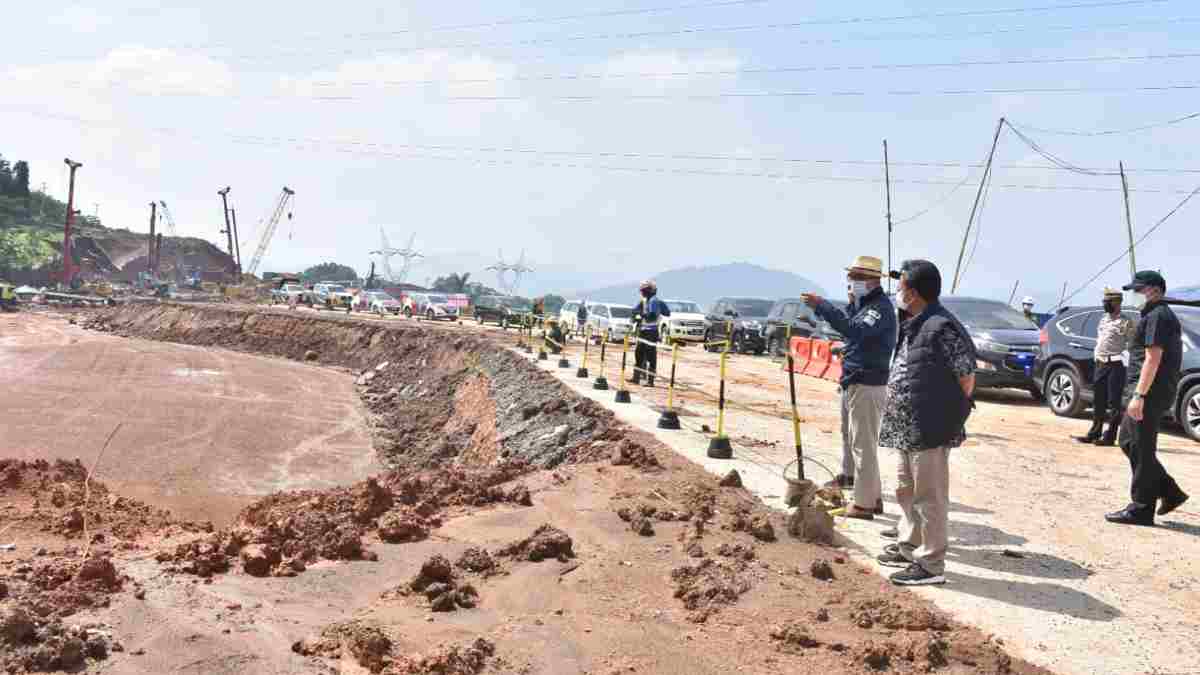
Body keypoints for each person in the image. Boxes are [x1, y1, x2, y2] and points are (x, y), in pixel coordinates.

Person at [875, 260, 976, 586]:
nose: (898, 292)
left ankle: (931, 564)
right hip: (906, 426)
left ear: (914, 292)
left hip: (929, 427)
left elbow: (967, 379)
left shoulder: (941, 327)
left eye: (901, 286)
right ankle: (909, 545)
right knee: (905, 490)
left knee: (929, 497)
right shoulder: (915, 322)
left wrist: (944, 416)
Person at [802, 255, 897, 520]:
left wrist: (823, 306)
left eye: (856, 278)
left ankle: (864, 504)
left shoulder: (878, 308)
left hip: (868, 382)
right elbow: (855, 335)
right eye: (851, 277)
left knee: (863, 444)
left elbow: (854, 330)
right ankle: (872, 497)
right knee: (856, 439)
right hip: (854, 378)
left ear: (871, 280)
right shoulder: (865, 305)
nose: (851, 282)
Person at [1105, 271, 1189, 526]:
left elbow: (1153, 358)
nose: (1136, 295)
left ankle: (1141, 508)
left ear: (1153, 290)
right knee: (1130, 441)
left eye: (1139, 290)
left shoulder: (1157, 316)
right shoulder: (1156, 315)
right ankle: (1169, 491)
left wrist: (1139, 395)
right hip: (1149, 390)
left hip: (1149, 392)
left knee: (1140, 446)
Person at [1074, 288, 1135, 446]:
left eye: (1108, 302)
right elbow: (1100, 338)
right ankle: (1094, 432)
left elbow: (1132, 343)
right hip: (1101, 363)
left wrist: (1125, 358)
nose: (1105, 305)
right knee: (1098, 400)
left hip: (1116, 364)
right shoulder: (1103, 319)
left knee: (1114, 402)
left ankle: (1110, 437)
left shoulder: (1126, 321)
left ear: (1116, 303)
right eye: (1104, 302)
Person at [631, 280, 670, 386]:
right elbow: (634, 311)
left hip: (651, 331)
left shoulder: (654, 301)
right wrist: (636, 317)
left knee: (650, 356)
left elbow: (655, 315)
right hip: (643, 331)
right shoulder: (644, 301)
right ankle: (636, 378)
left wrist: (643, 315)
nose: (642, 293)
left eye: (644, 290)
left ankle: (650, 381)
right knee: (639, 354)